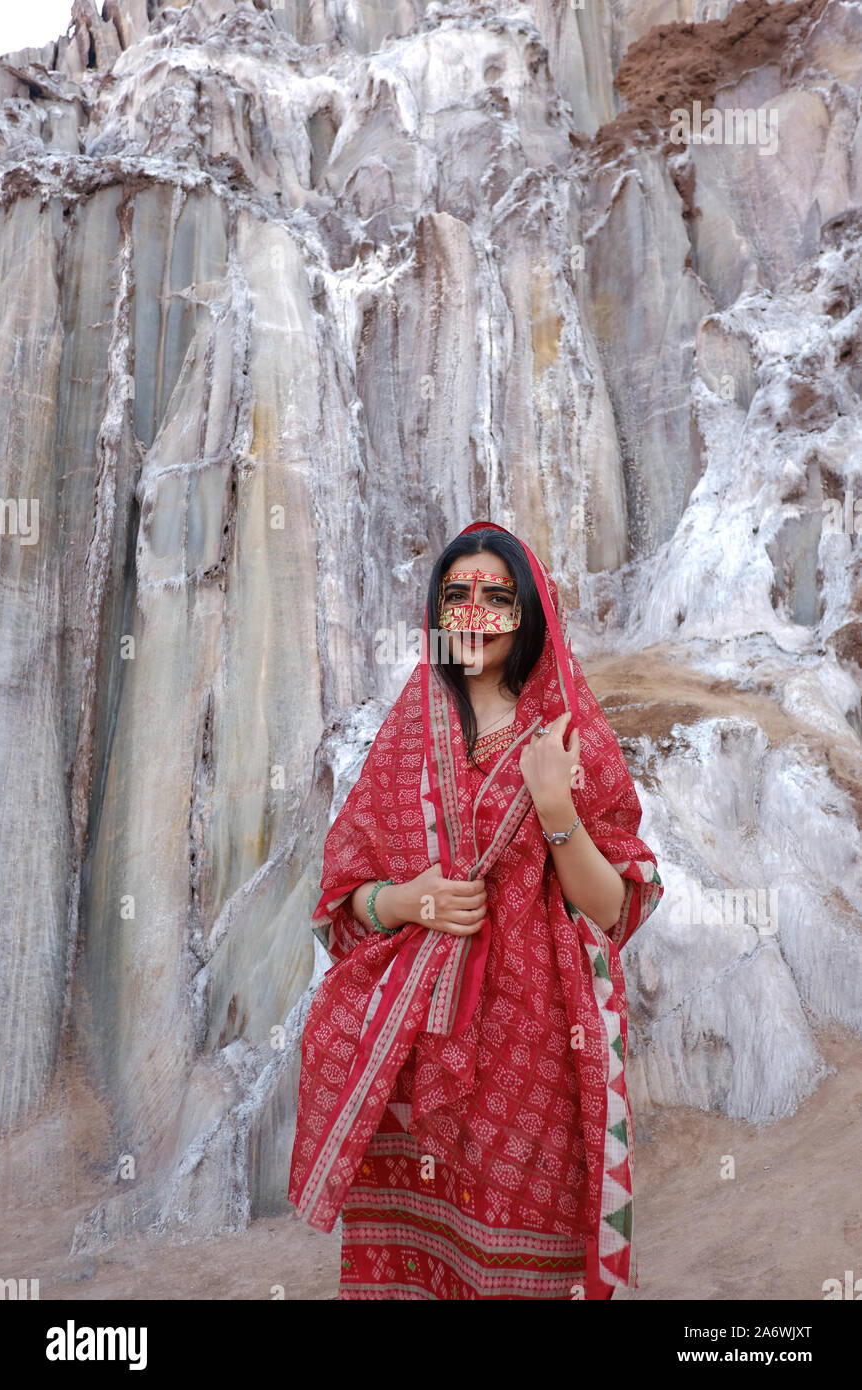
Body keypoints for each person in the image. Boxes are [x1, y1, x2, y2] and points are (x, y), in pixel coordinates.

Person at [288, 520, 664, 1299]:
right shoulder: (407, 731)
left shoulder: (565, 731)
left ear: (528, 613)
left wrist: (556, 806)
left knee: (522, 1251)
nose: (476, 611)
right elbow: (340, 905)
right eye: (457, 594)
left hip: (536, 1045)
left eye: (498, 595)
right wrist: (405, 899)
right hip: (415, 1047)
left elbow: (616, 907)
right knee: (417, 1258)